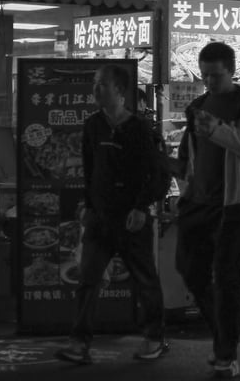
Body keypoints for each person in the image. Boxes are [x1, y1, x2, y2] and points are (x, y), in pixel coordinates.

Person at [56, 64, 170, 365]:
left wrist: (142, 206)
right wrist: (88, 206)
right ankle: (79, 343)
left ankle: (154, 337)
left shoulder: (139, 129)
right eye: (95, 83)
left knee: (144, 280)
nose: (95, 89)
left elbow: (158, 173)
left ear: (119, 90)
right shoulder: (93, 125)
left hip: (132, 218)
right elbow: (90, 169)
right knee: (88, 279)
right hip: (99, 218)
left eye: (102, 84)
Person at [172, 43, 240, 378]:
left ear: (232, 69)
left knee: (226, 277)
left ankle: (226, 353)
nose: (209, 80)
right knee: (189, 269)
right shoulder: (196, 106)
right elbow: (187, 158)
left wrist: (217, 130)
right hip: (198, 201)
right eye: (204, 74)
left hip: (235, 203)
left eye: (216, 75)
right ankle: (229, 330)